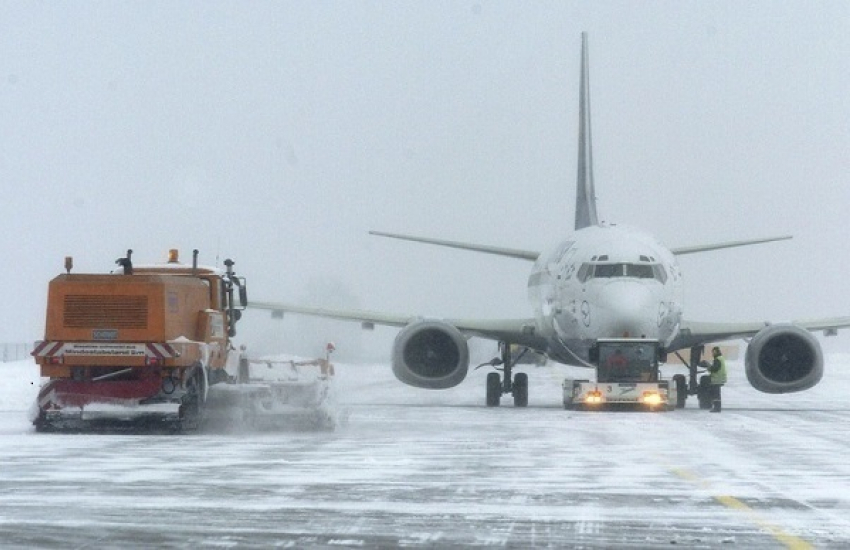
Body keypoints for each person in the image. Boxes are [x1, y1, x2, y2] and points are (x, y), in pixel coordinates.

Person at [707, 346, 727, 412]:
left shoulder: (717, 359)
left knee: (715, 394)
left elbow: (715, 369)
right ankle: (717, 407)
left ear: (715, 352)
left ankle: (716, 408)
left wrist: (709, 368)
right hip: (720, 379)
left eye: (712, 352)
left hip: (716, 379)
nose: (712, 354)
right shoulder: (721, 358)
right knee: (717, 394)